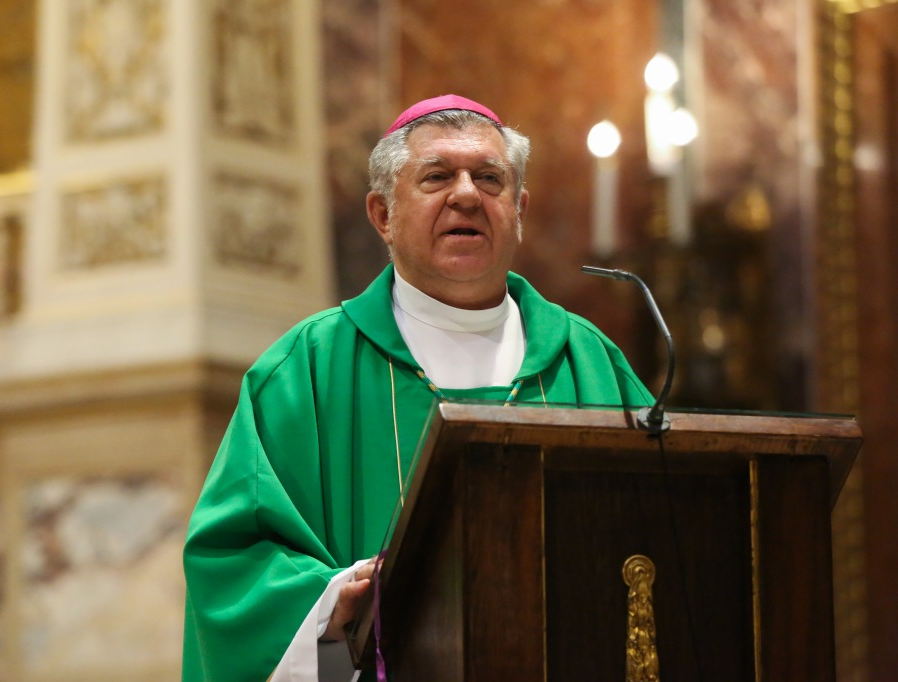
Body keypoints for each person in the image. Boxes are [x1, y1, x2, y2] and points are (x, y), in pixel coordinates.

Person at [181, 94, 652, 682]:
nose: (466, 195)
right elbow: (232, 564)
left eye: (489, 178)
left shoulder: (590, 361)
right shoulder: (307, 369)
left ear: (519, 209)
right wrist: (332, 600)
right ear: (383, 214)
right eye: (437, 177)